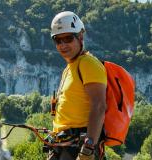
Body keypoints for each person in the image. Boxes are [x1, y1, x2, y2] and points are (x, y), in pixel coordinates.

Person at [48, 11, 108, 160]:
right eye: (58, 40)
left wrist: (89, 147)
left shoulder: (88, 64)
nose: (63, 45)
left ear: (80, 37)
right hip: (63, 146)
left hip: (80, 148)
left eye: (68, 38)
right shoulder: (69, 68)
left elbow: (99, 106)